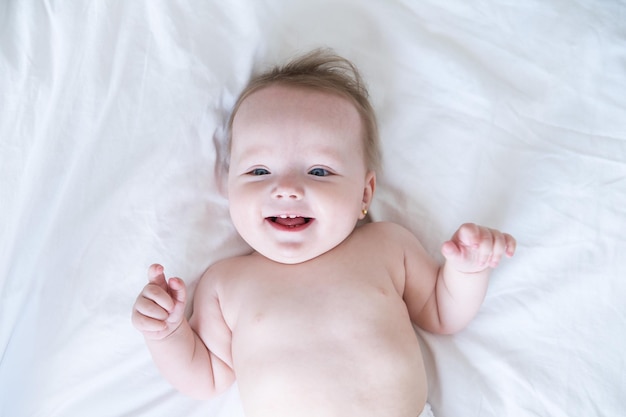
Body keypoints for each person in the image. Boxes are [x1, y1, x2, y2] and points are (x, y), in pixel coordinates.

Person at [131, 49, 516, 417]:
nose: (287, 189)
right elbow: (207, 375)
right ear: (229, 186)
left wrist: (467, 271)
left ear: (364, 193)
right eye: (259, 171)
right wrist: (166, 334)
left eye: (319, 171)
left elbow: (441, 312)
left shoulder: (386, 246)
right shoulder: (226, 284)